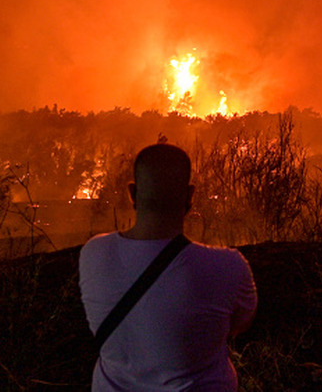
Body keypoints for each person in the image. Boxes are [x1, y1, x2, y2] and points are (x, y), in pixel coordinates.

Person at [79, 143, 258, 391]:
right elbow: (239, 325)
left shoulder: (94, 254)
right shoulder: (228, 266)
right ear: (189, 195)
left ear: (133, 193)